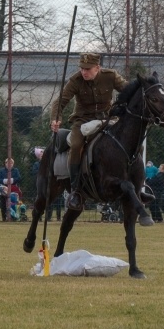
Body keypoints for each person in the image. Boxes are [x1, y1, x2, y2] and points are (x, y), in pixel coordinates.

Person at [50, 52, 128, 211]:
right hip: (83, 121)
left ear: (98, 68)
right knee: (77, 144)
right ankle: (75, 191)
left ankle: (137, 185)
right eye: (82, 68)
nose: (84, 71)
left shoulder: (110, 76)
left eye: (88, 68)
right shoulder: (75, 80)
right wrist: (55, 118)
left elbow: (127, 90)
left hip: (107, 119)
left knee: (129, 142)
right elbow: (61, 100)